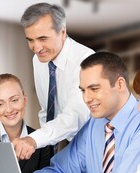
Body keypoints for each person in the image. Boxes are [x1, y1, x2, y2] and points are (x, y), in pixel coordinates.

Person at [24, 52, 140, 173]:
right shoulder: (94, 124)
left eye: (94, 89)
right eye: (83, 90)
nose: (86, 98)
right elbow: (63, 171)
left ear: (119, 84)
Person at [14, 2, 94, 160]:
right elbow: (46, 110)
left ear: (62, 32)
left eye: (43, 38)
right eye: (30, 40)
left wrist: (35, 139)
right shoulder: (38, 60)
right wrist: (45, 149)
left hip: (86, 147)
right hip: (55, 144)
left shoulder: (86, 60)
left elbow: (76, 115)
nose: (37, 48)